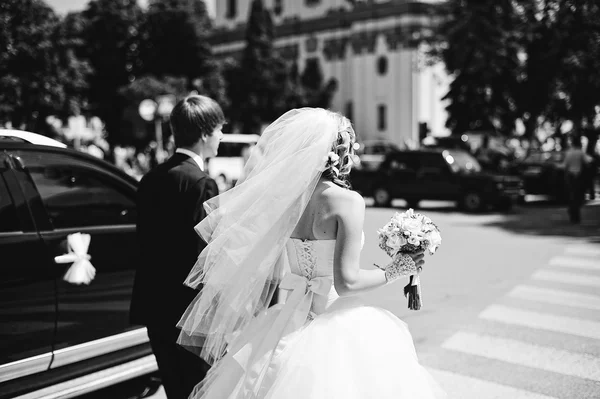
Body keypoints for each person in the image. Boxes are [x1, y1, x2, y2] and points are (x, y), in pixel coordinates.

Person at [177, 108, 445, 399]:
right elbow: (347, 283)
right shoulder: (348, 201)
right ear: (339, 154)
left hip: (285, 319)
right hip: (331, 319)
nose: (352, 158)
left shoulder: (286, 199)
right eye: (350, 149)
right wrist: (397, 268)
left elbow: (271, 267)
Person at [130, 95, 225, 399]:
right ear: (205, 133)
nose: (222, 135)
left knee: (174, 389)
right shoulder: (201, 183)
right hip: (188, 313)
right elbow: (203, 255)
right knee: (198, 389)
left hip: (154, 306)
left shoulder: (150, 178)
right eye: (220, 129)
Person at [563, 135, 592, 223]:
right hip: (579, 176)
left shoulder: (568, 153)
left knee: (572, 195)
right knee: (578, 196)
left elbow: (565, 165)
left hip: (570, 176)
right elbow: (589, 161)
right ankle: (575, 215)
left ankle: (572, 212)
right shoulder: (580, 153)